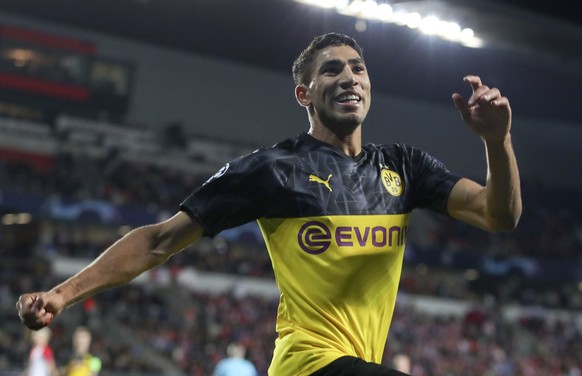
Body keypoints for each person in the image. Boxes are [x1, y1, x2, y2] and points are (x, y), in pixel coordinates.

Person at [17, 32, 521, 375]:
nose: (349, 77)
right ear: (304, 93)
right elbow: (158, 241)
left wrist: (497, 143)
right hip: (307, 365)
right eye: (332, 71)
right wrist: (62, 295)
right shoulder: (274, 169)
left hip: (357, 362)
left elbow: (499, 216)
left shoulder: (405, 168)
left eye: (358, 68)